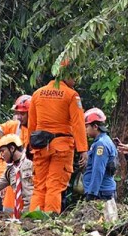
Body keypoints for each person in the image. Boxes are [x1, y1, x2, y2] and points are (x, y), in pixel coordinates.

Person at [28, 70, 88, 213]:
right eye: (74, 75)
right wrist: (83, 150)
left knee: (39, 186)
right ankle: (49, 220)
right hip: (61, 147)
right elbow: (78, 124)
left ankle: (33, 219)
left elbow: (32, 124)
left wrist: (29, 147)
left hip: (40, 146)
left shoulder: (37, 94)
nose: (76, 80)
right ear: (65, 75)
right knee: (55, 185)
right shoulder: (71, 95)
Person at [82, 108, 117, 201]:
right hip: (103, 191)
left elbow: (98, 170)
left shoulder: (101, 144)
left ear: (95, 126)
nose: (85, 130)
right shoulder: (105, 140)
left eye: (87, 127)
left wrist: (92, 193)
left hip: (101, 192)